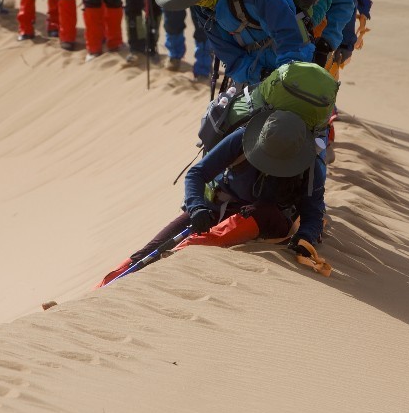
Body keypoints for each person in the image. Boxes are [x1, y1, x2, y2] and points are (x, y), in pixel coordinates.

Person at [99, 109, 330, 285]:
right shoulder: (244, 138)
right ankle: (101, 290)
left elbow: (313, 212)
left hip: (266, 219)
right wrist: (197, 207)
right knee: (148, 251)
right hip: (215, 208)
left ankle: (183, 252)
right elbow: (197, 174)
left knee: (262, 212)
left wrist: (304, 239)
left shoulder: (311, 166)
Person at [156, 0, 313, 86]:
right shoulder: (202, 9)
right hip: (255, 77)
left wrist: (285, 74)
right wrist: (262, 76)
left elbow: (286, 32)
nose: (193, 2)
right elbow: (230, 56)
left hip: (295, 61)